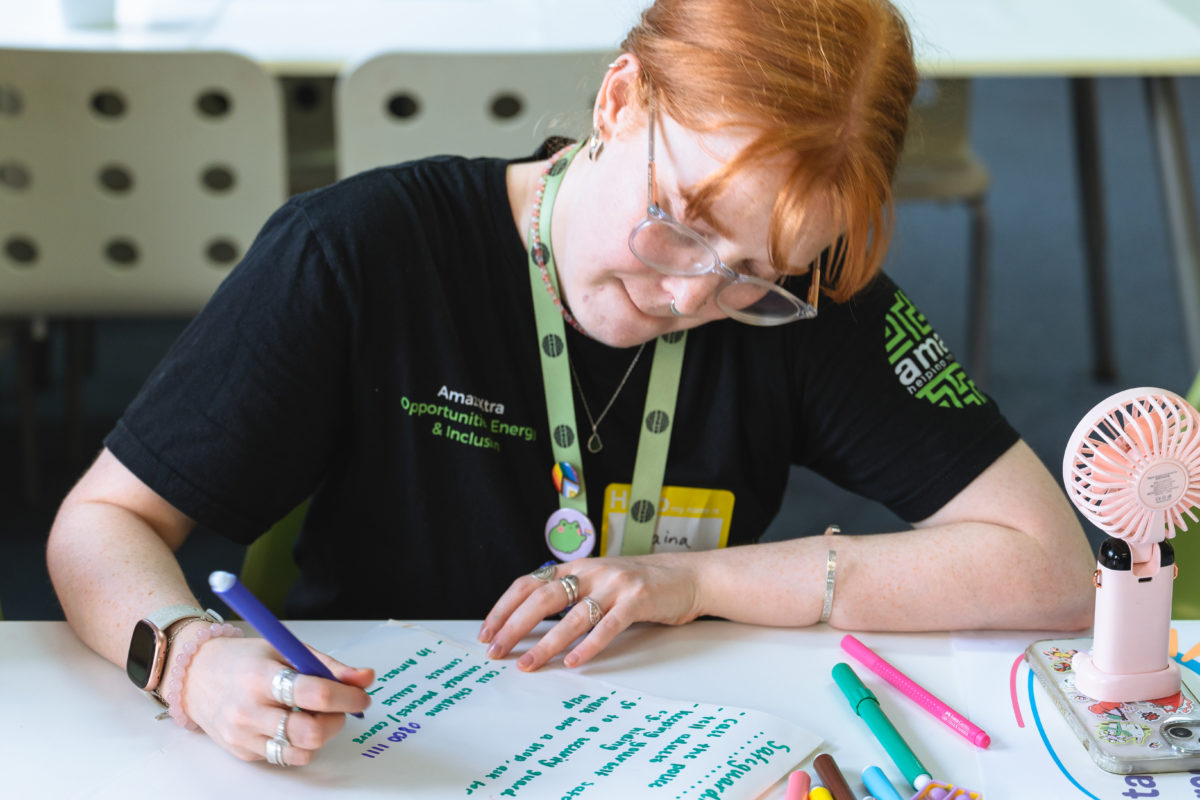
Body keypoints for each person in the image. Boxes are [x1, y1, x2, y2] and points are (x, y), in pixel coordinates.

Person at [46, 0, 1095, 768]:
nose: (693, 291)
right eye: (679, 220)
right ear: (620, 97)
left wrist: (705, 583)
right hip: (389, 748)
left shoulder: (811, 295)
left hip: (668, 748)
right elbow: (100, 522)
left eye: (753, 277)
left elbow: (1048, 567)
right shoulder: (362, 252)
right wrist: (185, 658)